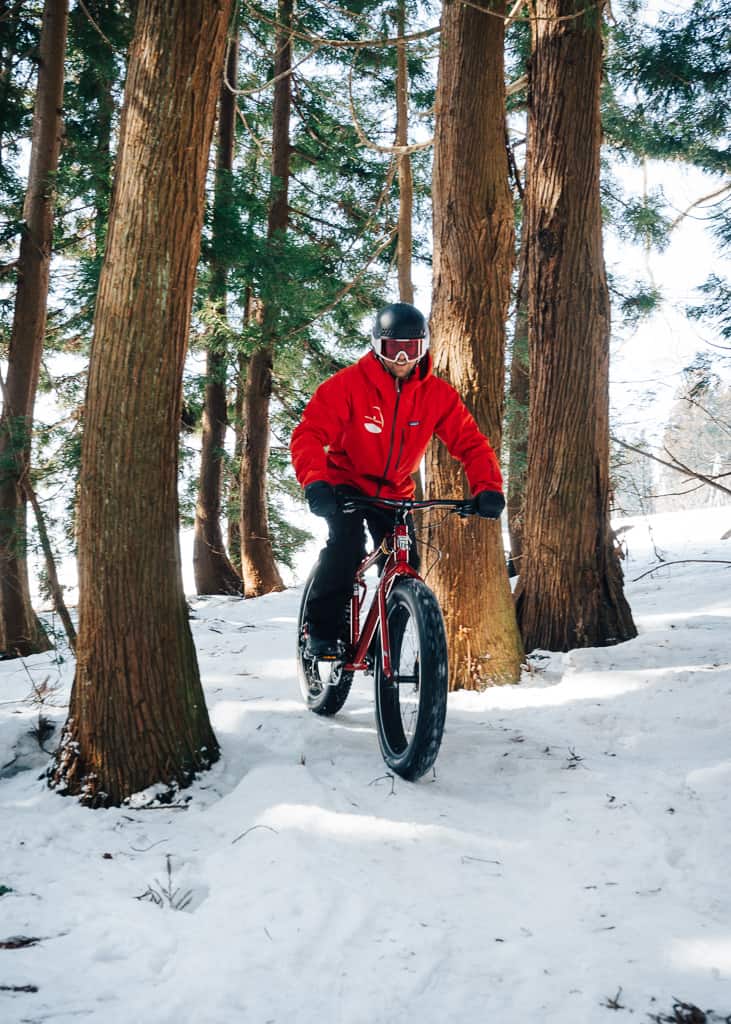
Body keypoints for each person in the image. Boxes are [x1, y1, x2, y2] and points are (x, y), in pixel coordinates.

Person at [290, 301, 505, 658]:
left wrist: (488, 488)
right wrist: (315, 482)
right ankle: (322, 630)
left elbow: (471, 443)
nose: (403, 358)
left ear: (423, 348)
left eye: (412, 348)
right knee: (346, 548)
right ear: (377, 346)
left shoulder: (437, 396)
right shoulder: (347, 386)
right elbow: (309, 434)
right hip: (346, 483)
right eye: (394, 349)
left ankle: (381, 646)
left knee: (408, 564)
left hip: (394, 493)